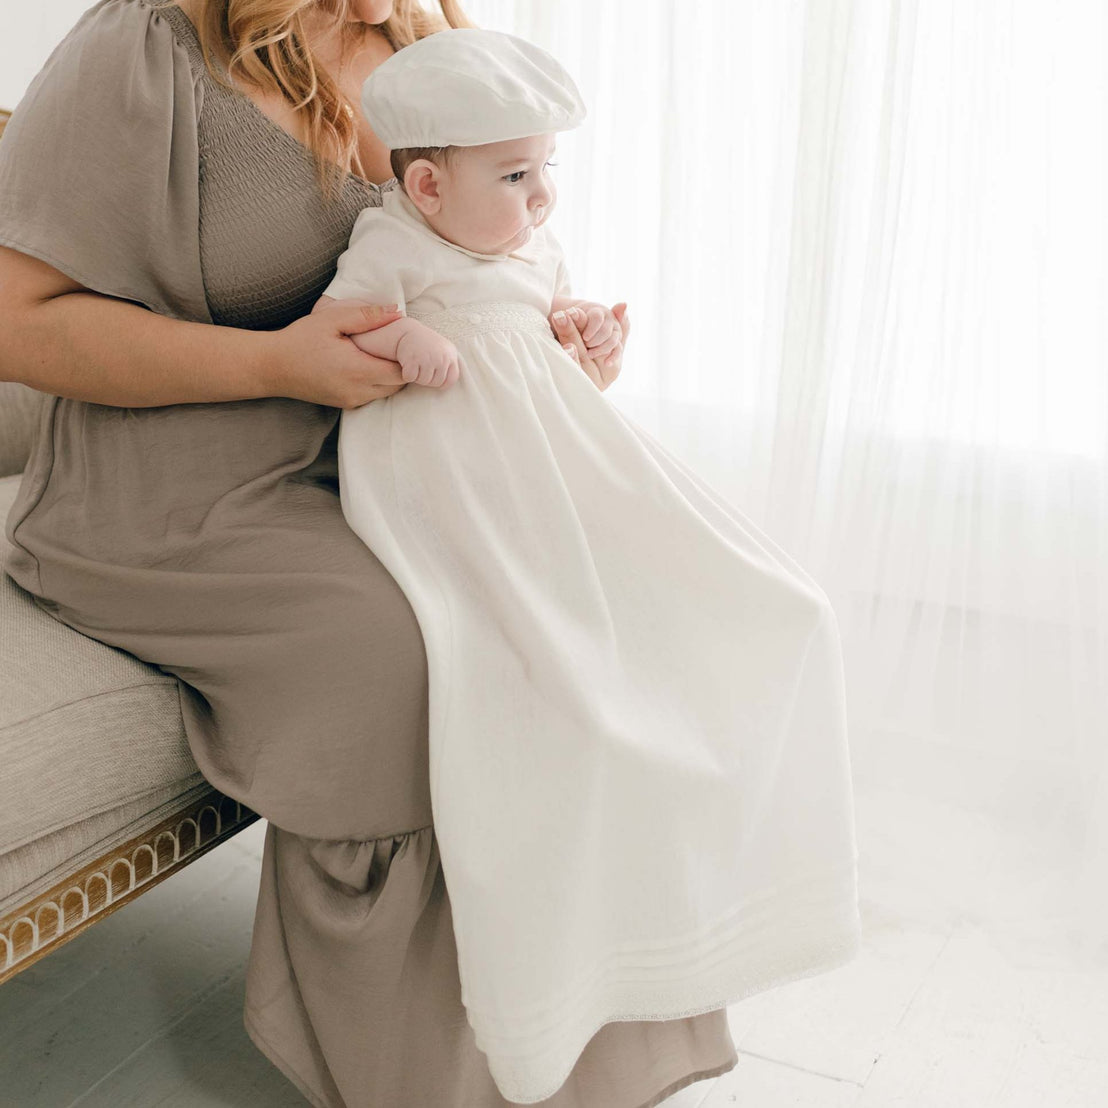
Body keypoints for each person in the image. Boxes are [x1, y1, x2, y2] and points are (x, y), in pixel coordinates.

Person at [0, 1, 745, 1106]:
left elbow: (482, 258)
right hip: (172, 502)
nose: (372, 9)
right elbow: (18, 318)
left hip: (395, 467)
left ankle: (572, 1055)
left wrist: (550, 336)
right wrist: (275, 366)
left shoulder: (429, 37)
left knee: (599, 604)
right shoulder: (142, 50)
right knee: (425, 659)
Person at [315, 27, 862, 1105]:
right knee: (548, 660)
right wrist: (395, 342)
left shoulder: (528, 252)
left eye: (549, 170)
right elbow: (330, 329)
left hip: (552, 465)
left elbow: (538, 344)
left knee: (760, 604)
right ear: (425, 185)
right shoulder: (398, 250)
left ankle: (743, 890)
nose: (543, 197)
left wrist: (578, 334)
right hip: (453, 482)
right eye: (516, 176)